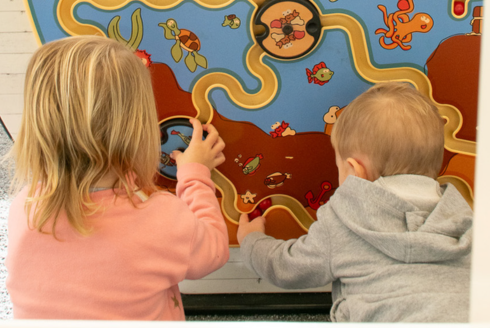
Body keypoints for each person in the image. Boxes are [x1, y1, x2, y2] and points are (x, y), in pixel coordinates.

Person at [5, 35, 229, 320]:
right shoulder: (157, 218)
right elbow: (214, 250)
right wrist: (194, 174)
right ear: (139, 129)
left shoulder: (26, 205)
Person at [237, 82, 472, 322]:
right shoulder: (467, 222)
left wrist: (251, 240)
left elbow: (286, 267)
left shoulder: (343, 222)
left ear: (354, 170)